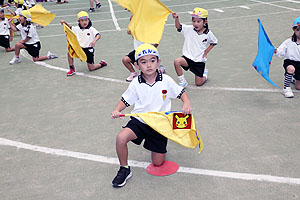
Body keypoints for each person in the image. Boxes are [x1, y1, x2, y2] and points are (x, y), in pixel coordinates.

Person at [110, 43, 192, 188]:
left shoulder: (166, 80)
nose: (148, 65)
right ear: (136, 65)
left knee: (157, 162)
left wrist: (186, 104)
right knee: (121, 138)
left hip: (160, 124)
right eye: (143, 61)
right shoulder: (136, 83)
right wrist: (117, 110)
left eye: (152, 60)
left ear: (158, 62)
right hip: (140, 121)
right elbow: (125, 100)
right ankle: (124, 169)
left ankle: (158, 146)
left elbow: (181, 93)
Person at [172, 7, 217, 87]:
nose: (196, 23)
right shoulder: (189, 29)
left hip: (198, 61)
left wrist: (206, 52)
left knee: (198, 83)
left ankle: (204, 75)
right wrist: (176, 19)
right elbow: (178, 27)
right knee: (177, 61)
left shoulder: (208, 34)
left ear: (205, 22)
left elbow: (214, 42)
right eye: (194, 21)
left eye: (198, 21)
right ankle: (183, 82)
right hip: (187, 59)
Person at [60, 11, 107, 76]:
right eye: (82, 20)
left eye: (86, 20)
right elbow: (69, 28)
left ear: (88, 20)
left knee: (91, 68)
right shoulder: (76, 28)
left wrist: (94, 40)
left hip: (88, 49)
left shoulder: (91, 29)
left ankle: (102, 64)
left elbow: (98, 35)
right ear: (79, 21)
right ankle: (72, 69)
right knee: (70, 53)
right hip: (79, 49)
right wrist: (64, 23)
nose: (84, 22)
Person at [275, 16, 300, 98]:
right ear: (294, 30)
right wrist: (276, 51)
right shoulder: (288, 41)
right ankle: (286, 88)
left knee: (298, 87)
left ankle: (293, 79)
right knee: (291, 69)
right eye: (298, 29)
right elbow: (280, 52)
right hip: (290, 62)